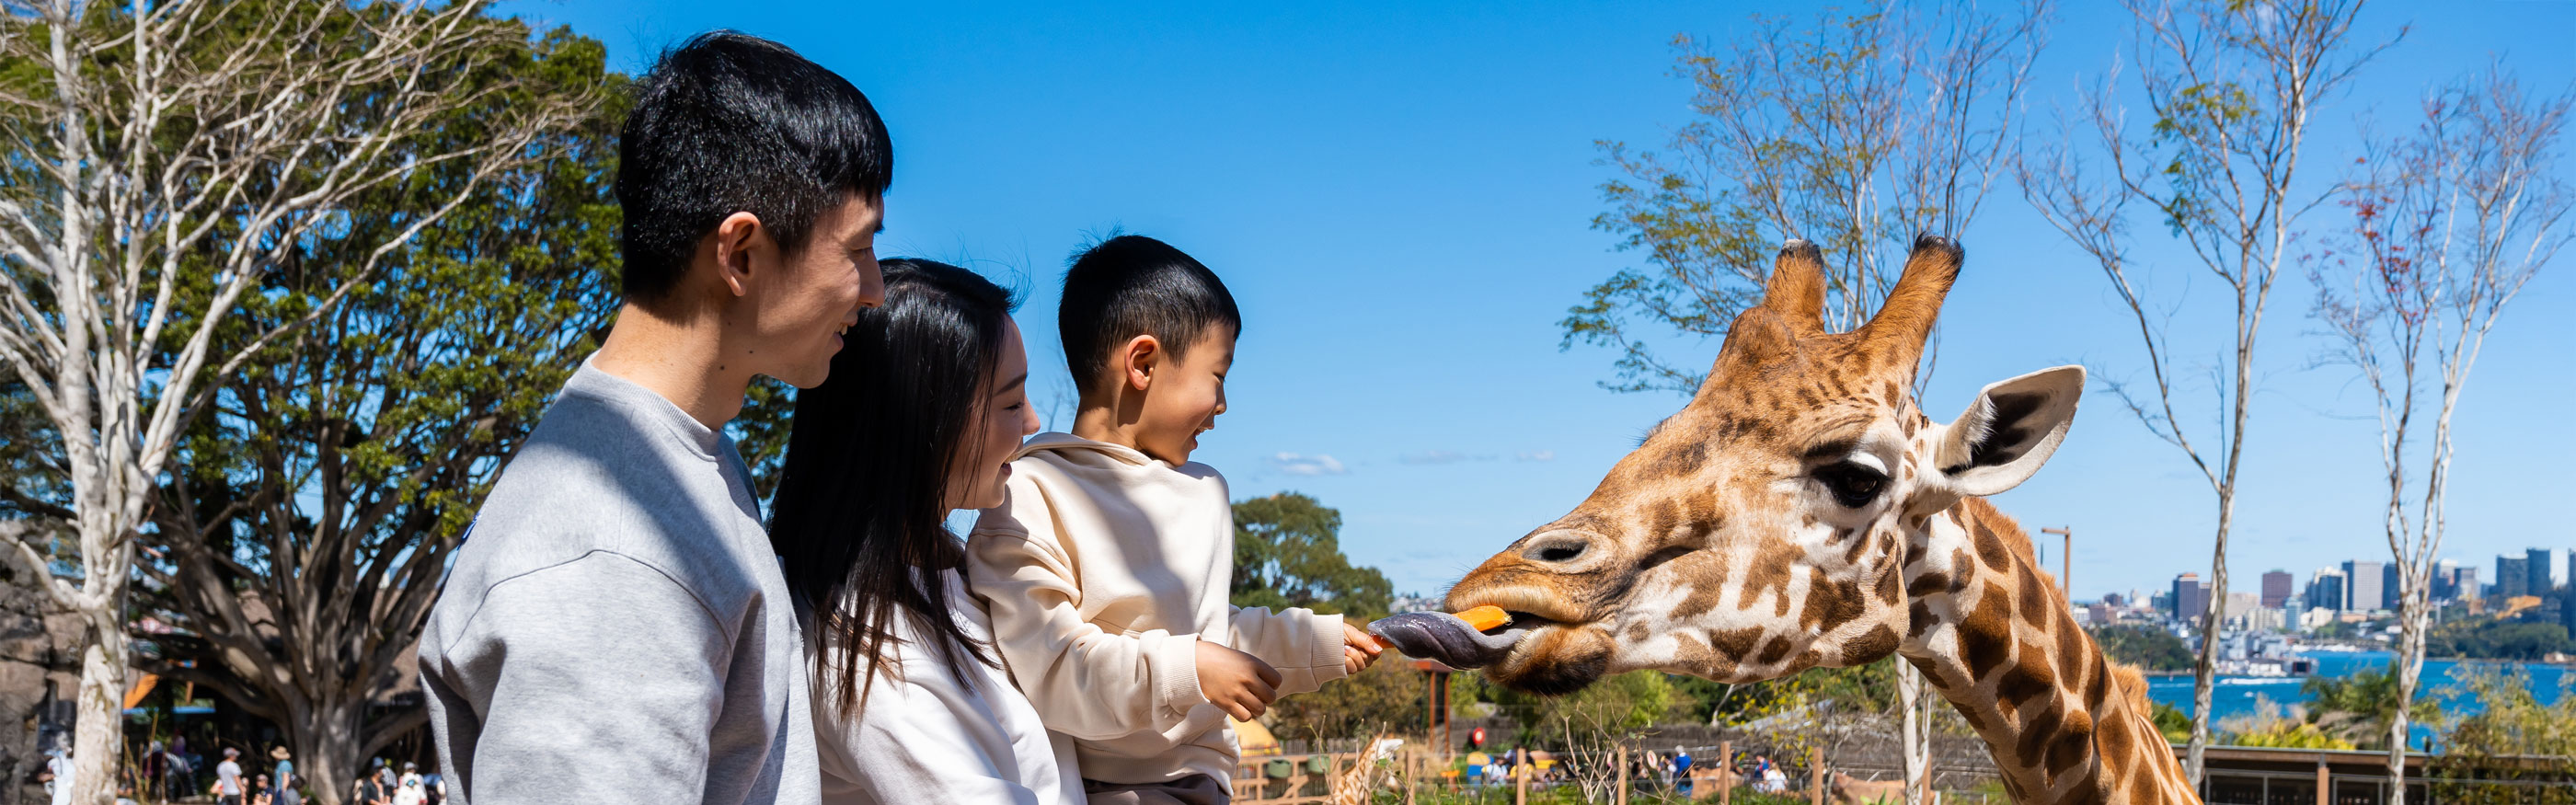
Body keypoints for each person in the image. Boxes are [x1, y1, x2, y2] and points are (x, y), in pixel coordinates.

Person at [415, 29, 892, 805]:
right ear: (740, 254)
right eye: (859, 248)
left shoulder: (681, 459)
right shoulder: (613, 555)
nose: (874, 289)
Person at [966, 235, 1382, 804]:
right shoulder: (1027, 495)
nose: (1223, 404)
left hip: (1207, 782)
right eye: (1219, 375)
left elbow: (1210, 635)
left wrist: (1315, 643)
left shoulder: (1205, 492)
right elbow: (1054, 667)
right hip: (1105, 789)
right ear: (1143, 363)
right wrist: (1192, 667)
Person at [769, 259, 1072, 803]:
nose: (1032, 423)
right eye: (1010, 402)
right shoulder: (862, 654)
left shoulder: (969, 570)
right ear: (922, 425)